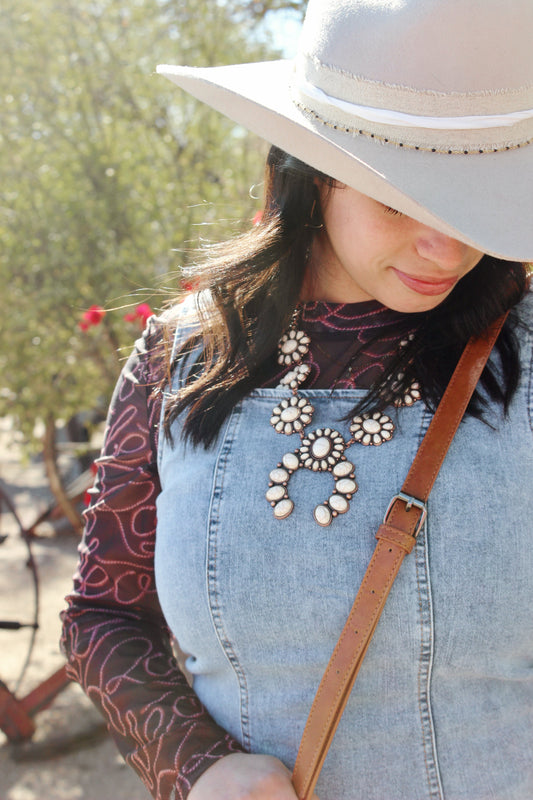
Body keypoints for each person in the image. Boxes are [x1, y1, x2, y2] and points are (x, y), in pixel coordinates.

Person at [61, 1, 533, 798]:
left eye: (470, 197)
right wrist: (198, 765)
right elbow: (103, 615)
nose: (447, 246)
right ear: (312, 180)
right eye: (401, 201)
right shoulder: (182, 356)